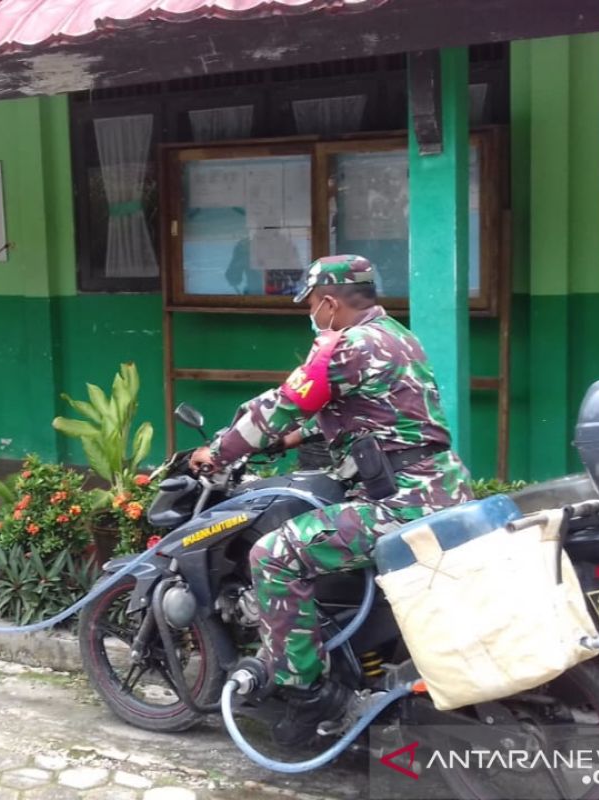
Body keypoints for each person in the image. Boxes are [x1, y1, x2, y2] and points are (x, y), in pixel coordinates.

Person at [189, 254, 473, 746]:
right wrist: (286, 442)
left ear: (327, 302)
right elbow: (354, 411)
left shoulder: (345, 346)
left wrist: (216, 453)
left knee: (275, 555)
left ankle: (310, 696)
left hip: (403, 501)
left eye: (313, 307)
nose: (313, 317)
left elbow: (281, 405)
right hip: (443, 489)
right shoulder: (398, 337)